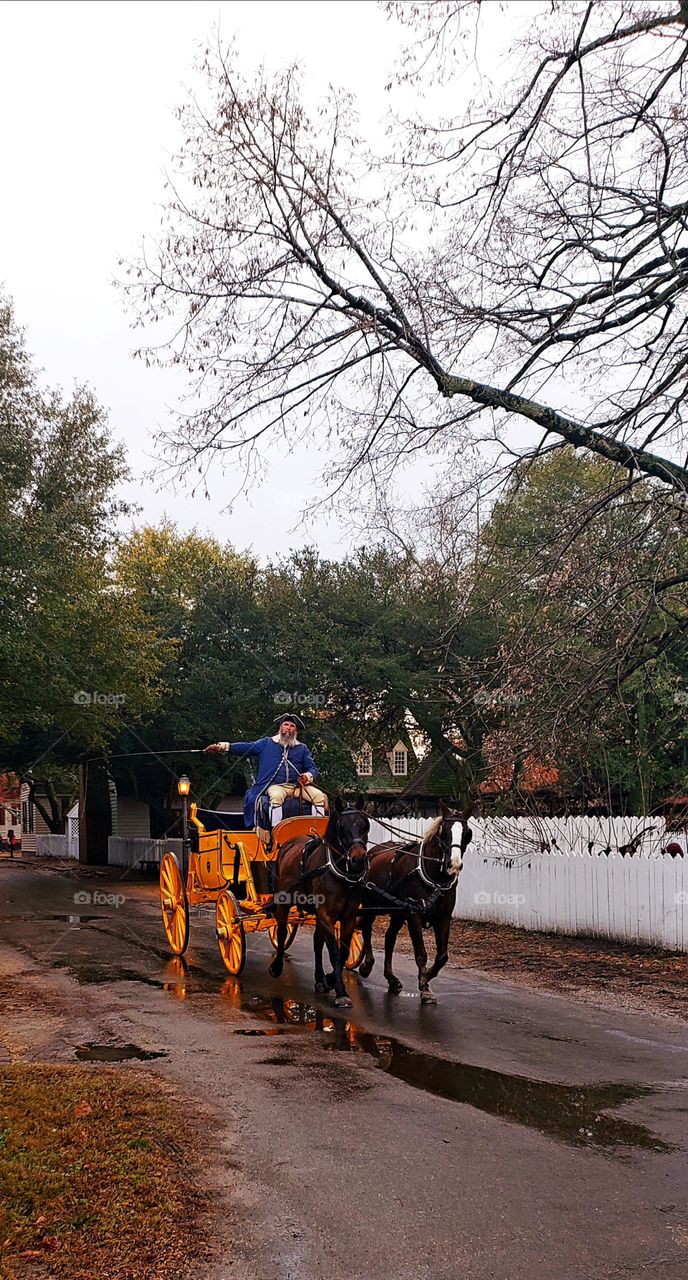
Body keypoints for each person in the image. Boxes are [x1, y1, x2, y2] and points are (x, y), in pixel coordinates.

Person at [205, 714, 328, 833]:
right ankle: (277, 831)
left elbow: (312, 768)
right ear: (280, 727)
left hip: (297, 787)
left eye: (292, 726)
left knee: (319, 797)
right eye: (286, 724)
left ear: (296, 730)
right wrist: (223, 747)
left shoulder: (302, 748)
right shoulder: (267, 743)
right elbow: (247, 747)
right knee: (276, 797)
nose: (288, 728)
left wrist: (307, 776)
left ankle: (318, 832)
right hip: (276, 786)